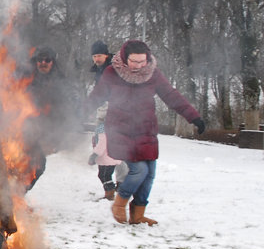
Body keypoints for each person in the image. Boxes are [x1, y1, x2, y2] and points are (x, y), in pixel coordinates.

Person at [85, 40, 205, 226]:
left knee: (150, 174)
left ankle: (138, 214)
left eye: (142, 62)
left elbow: (171, 95)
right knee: (139, 170)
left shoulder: (152, 74)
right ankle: (120, 202)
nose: (139, 66)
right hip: (120, 129)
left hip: (145, 129)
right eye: (134, 61)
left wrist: (194, 117)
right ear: (125, 58)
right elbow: (95, 98)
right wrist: (76, 115)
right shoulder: (112, 73)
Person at [21, 46, 74, 190]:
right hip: (20, 128)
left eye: (47, 60)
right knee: (16, 163)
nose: (43, 63)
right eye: (40, 60)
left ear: (53, 62)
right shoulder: (25, 77)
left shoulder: (60, 81)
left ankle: (16, 196)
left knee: (38, 167)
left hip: (42, 130)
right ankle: (10, 197)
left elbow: (65, 109)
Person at [87, 41, 122, 200]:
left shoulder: (115, 67)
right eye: (94, 56)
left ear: (106, 55)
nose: (96, 58)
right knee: (102, 135)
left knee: (115, 141)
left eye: (99, 55)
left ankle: (122, 184)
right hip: (102, 106)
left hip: (115, 106)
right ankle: (114, 186)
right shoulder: (98, 70)